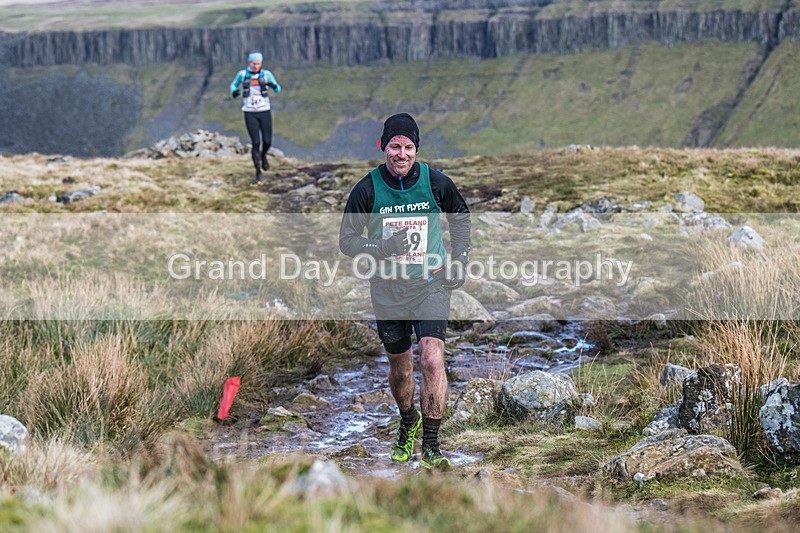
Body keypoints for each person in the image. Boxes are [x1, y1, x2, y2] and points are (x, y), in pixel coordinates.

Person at [339, 113, 471, 469]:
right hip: (387, 290)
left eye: (408, 147)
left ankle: (431, 443)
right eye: (395, 146)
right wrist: (379, 248)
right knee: (400, 369)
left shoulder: (434, 182)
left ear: (416, 149)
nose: (402, 154)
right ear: (383, 147)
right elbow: (347, 241)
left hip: (431, 284)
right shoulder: (367, 189)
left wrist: (460, 260)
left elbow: (460, 216)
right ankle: (408, 419)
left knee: (431, 359)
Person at [229, 51, 281, 183]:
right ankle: (258, 171)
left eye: (258, 63)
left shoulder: (266, 74)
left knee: (267, 141)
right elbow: (233, 85)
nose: (256, 65)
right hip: (249, 112)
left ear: (261, 63)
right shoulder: (242, 74)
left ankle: (263, 156)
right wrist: (234, 92)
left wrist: (272, 85)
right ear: (249, 63)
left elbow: (278, 89)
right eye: (253, 63)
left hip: (264, 110)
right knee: (256, 142)